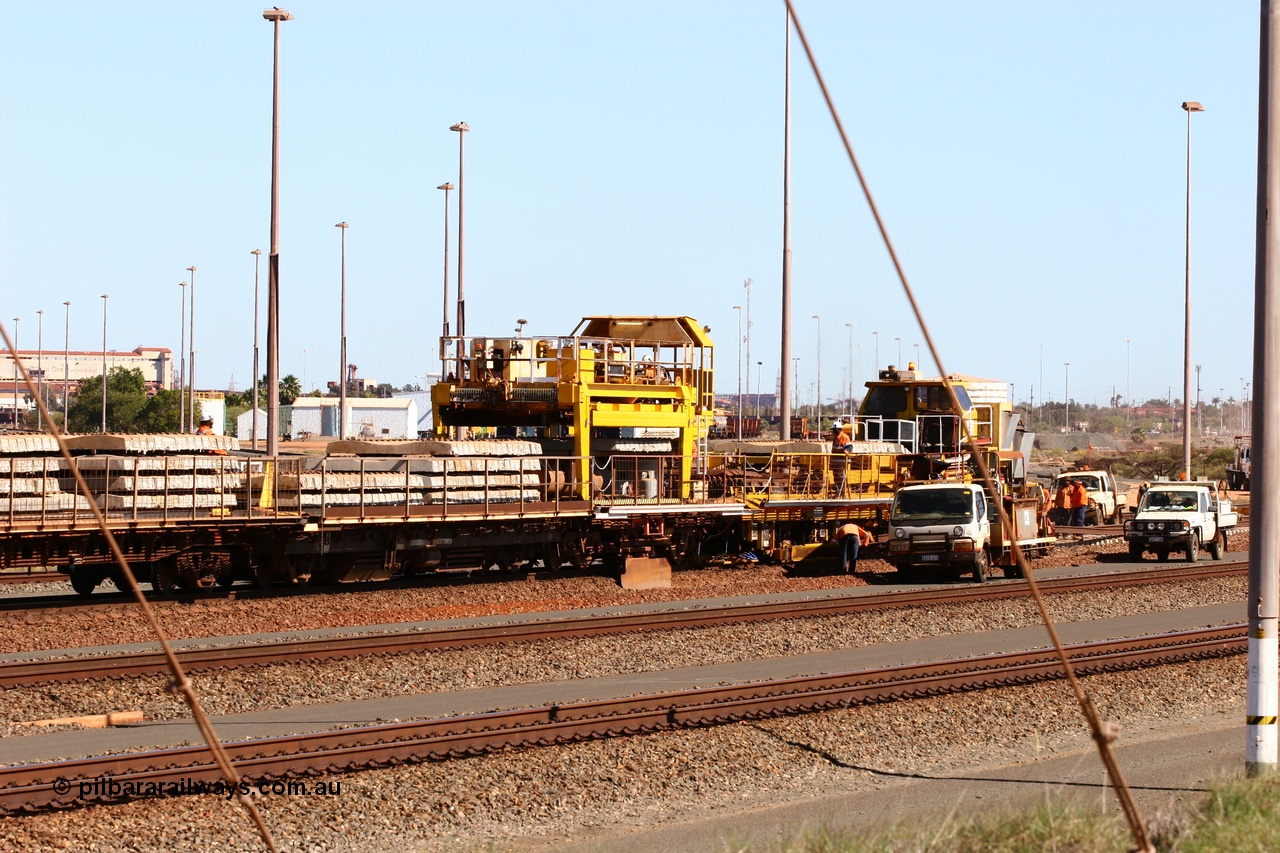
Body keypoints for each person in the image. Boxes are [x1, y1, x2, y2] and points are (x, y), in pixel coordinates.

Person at [830, 421, 853, 497]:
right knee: (836, 478)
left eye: (833, 430)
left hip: (841, 462)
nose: (832, 432)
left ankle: (841, 494)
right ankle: (838, 493)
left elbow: (849, 447)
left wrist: (847, 451)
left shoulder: (844, 437)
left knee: (840, 477)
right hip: (835, 462)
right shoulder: (836, 438)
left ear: (838, 429)